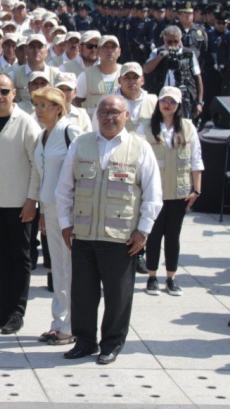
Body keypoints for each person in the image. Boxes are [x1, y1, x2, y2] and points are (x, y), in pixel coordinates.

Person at [56, 95, 162, 365]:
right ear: (96, 115)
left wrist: (144, 230)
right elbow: (64, 189)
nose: (108, 117)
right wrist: (65, 224)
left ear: (126, 115)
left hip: (121, 237)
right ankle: (84, 341)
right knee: (82, 293)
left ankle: (112, 344)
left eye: (115, 112)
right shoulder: (81, 144)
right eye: (103, 112)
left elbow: (153, 195)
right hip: (83, 234)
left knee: (118, 294)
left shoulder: (139, 148)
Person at [0, 73, 41, 334]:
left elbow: (37, 165)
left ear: (14, 93)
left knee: (21, 257)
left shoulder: (26, 123)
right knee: (3, 256)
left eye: (4, 91)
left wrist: (32, 200)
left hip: (19, 203)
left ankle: (17, 311)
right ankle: (3, 309)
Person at [31, 87, 81, 345]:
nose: (38, 110)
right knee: (57, 271)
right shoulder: (42, 136)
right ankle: (58, 322)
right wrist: (41, 209)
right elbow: (43, 176)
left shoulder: (70, 131)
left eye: (44, 105)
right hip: (49, 210)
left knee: (70, 269)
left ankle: (71, 326)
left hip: (68, 211)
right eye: (36, 105)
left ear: (58, 108)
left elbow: (82, 169)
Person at [143, 86, 202, 297]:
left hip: (179, 192)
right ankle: (151, 276)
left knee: (173, 235)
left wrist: (197, 190)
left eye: (172, 101)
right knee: (154, 234)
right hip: (155, 192)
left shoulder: (188, 127)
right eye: (163, 100)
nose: (167, 104)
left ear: (178, 106)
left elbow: (196, 160)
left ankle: (171, 277)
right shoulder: (146, 127)